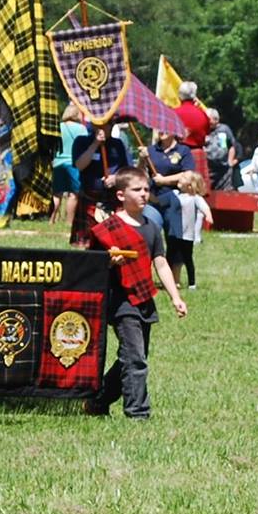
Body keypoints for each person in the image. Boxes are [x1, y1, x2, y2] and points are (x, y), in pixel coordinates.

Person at [85, 167, 188, 419]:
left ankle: (98, 402)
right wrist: (110, 261)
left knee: (130, 358)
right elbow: (91, 265)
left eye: (146, 190)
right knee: (136, 360)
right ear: (120, 195)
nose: (144, 194)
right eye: (137, 190)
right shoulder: (107, 228)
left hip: (144, 298)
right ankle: (138, 413)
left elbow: (160, 263)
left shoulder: (151, 227)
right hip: (120, 301)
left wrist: (175, 297)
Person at [69, 119, 130, 248]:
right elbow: (80, 165)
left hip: (112, 198)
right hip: (89, 197)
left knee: (114, 240)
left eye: (110, 124)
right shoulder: (82, 141)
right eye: (105, 124)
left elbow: (127, 170)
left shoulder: (117, 144)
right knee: (90, 243)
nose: (108, 127)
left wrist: (116, 178)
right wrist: (95, 144)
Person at [138, 130, 195, 268]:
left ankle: (173, 276)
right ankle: (145, 270)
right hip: (153, 200)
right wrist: (141, 160)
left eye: (166, 128)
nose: (161, 131)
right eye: (159, 128)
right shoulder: (150, 150)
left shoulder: (183, 150)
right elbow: (139, 174)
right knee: (148, 235)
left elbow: (188, 173)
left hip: (175, 201)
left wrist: (164, 180)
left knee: (174, 239)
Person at [174, 170, 213, 290]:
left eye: (184, 177)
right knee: (174, 258)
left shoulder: (195, 198)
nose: (180, 177)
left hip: (187, 235)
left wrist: (208, 215)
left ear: (190, 185)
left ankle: (192, 284)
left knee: (187, 259)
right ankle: (174, 281)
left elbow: (205, 207)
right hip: (175, 234)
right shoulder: (175, 194)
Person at [50, 103, 86, 227]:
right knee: (73, 194)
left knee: (57, 193)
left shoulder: (58, 127)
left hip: (57, 163)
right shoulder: (81, 129)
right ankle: (69, 222)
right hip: (73, 164)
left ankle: (52, 219)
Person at [174, 80, 211, 185]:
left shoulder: (174, 113)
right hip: (196, 154)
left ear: (179, 96)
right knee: (199, 189)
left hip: (177, 154)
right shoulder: (202, 114)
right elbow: (207, 131)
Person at [204, 108, 242, 190]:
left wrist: (230, 161)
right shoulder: (203, 130)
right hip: (209, 169)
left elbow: (232, 145)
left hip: (224, 168)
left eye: (209, 120)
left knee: (226, 192)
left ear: (216, 120)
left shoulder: (224, 129)